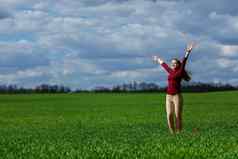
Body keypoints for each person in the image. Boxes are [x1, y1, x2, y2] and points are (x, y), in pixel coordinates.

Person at [153, 44, 193, 134]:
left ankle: (179, 133)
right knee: (169, 115)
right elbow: (164, 65)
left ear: (178, 64)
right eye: (172, 63)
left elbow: (184, 61)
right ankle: (172, 133)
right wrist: (157, 59)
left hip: (177, 96)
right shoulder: (170, 71)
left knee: (177, 115)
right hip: (168, 96)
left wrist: (187, 52)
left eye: (175, 63)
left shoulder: (180, 71)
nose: (173, 64)